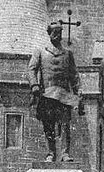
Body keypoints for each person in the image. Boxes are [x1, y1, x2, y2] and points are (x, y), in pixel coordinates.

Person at [27, 22, 82, 162]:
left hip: (64, 94)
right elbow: (31, 69)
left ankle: (65, 154)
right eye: (54, 32)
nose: (57, 35)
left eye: (59, 32)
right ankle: (50, 153)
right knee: (49, 124)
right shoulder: (40, 51)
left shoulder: (68, 54)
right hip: (47, 93)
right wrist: (34, 85)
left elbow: (74, 76)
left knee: (65, 124)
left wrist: (78, 92)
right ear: (49, 33)